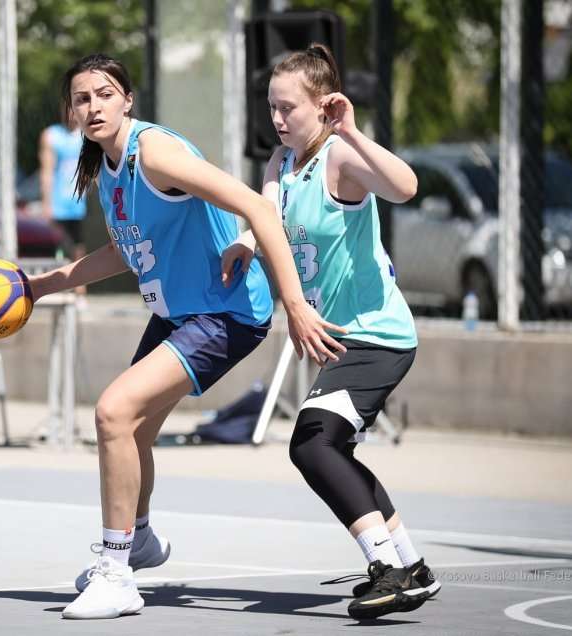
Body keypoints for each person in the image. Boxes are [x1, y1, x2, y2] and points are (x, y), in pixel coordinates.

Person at [27, 53, 346, 621]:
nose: (94, 105)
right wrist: (45, 284)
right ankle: (139, 539)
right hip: (179, 312)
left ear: (127, 100)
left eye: (104, 94)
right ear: (70, 112)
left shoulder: (156, 152)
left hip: (225, 313)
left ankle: (117, 571)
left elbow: (254, 205)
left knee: (112, 413)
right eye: (82, 98)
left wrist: (294, 304)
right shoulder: (109, 168)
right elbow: (124, 250)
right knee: (134, 430)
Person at [221, 43, 440, 620]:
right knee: (330, 446)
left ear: (324, 107)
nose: (276, 118)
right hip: (343, 337)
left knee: (311, 444)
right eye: (271, 106)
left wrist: (354, 131)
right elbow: (267, 218)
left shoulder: (340, 157)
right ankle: (410, 563)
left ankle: (385, 567)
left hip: (378, 334)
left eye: (287, 108)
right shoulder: (280, 162)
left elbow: (405, 187)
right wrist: (246, 243)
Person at [38, 114, 88, 295]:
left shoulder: (87, 134)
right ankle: (60, 286)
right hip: (59, 202)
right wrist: (47, 203)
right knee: (60, 247)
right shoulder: (52, 135)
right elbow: (47, 171)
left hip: (78, 202)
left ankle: (80, 291)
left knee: (78, 246)